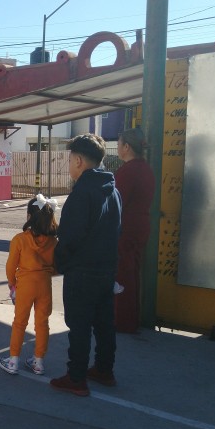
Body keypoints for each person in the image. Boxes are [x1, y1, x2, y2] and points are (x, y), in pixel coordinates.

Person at [50, 134, 121, 396]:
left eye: (70, 159)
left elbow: (69, 238)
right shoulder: (112, 190)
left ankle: (76, 377)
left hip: (82, 272)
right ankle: (104, 369)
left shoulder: (82, 193)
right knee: (104, 324)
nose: (69, 165)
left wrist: (59, 263)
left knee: (79, 326)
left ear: (79, 161)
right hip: (106, 269)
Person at [0, 195, 58, 376]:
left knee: (19, 323)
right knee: (42, 323)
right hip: (45, 285)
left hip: (24, 285)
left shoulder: (20, 239)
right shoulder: (53, 241)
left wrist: (12, 283)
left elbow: (11, 266)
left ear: (29, 216)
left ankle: (13, 360)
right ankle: (38, 361)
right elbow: (56, 267)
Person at [114, 128, 155, 334]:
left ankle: (122, 321)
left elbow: (117, 202)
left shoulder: (128, 171)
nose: (118, 148)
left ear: (126, 147)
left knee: (122, 276)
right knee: (132, 274)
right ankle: (130, 319)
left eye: (119, 144)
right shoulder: (145, 168)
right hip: (140, 225)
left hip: (127, 228)